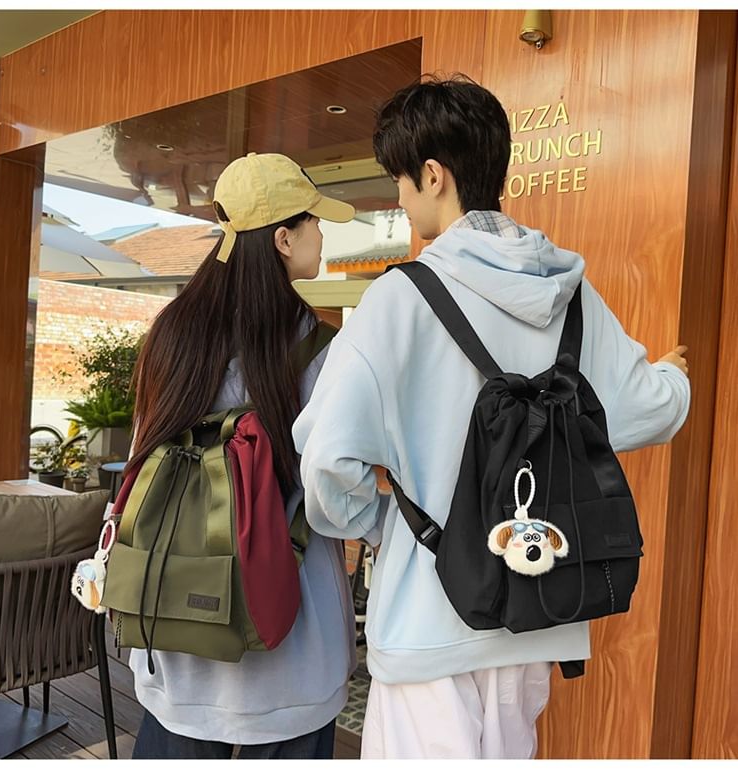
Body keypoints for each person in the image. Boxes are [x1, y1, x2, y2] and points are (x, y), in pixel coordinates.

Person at [292, 76, 691, 759]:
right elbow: (648, 409)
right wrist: (674, 376)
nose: (400, 198)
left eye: (401, 181)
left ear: (434, 175)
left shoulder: (399, 300)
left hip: (428, 624)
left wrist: (386, 524)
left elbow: (327, 464)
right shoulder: (572, 294)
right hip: (537, 619)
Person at [126, 152, 358, 759]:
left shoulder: (172, 335)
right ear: (284, 238)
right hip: (292, 648)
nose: (322, 234)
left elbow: (140, 462)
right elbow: (335, 497)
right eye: (314, 222)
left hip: (173, 641)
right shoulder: (321, 349)